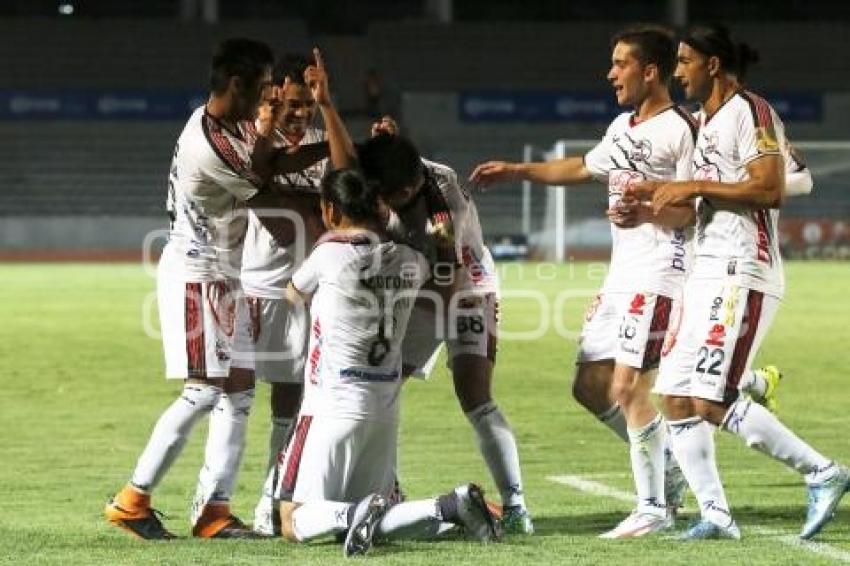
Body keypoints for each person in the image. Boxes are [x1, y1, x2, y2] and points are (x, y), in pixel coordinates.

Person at [105, 39, 351, 540]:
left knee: (235, 397)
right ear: (236, 85)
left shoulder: (227, 123)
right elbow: (269, 187)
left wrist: (324, 141)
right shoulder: (208, 143)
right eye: (262, 88)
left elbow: (271, 162)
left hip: (226, 274)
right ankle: (132, 499)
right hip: (200, 272)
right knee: (202, 391)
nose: (268, 99)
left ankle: (215, 511)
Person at [471, 25, 699, 538]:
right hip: (622, 275)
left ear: (651, 71)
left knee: (626, 385)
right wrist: (517, 170)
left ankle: (653, 508)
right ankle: (671, 468)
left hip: (662, 272)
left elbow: (691, 208)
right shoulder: (623, 126)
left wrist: (646, 207)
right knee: (590, 386)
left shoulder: (679, 129)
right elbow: (581, 165)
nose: (611, 73)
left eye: (621, 63)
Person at [637, 24, 848, 540]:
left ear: (712, 63)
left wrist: (695, 185)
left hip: (742, 271)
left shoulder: (752, 112)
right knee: (675, 395)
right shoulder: (705, 121)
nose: (677, 70)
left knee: (713, 397)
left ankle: (822, 473)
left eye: (684, 61)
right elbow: (721, 193)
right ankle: (716, 516)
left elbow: (774, 187)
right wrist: (654, 198)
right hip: (704, 271)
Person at [273, 168, 500, 557]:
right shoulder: (411, 260)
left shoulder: (328, 253)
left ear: (330, 210)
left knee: (292, 520)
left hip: (330, 405)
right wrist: (441, 220)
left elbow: (291, 296)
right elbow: (448, 278)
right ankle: (449, 506)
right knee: (380, 516)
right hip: (384, 408)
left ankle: (353, 515)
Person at [358, 132, 533, 534]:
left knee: (475, 397)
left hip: (467, 290)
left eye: (387, 197)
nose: (380, 204)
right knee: (380, 387)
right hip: (428, 284)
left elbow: (446, 288)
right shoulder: (417, 173)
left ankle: (516, 505)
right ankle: (388, 489)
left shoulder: (441, 221)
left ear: (404, 190)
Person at [225, 52, 331, 536]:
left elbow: (329, 206)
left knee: (290, 401)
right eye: (291, 103)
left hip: (307, 289)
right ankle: (214, 502)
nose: (300, 113)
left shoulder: (322, 141)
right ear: (273, 97)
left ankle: (272, 502)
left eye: (307, 105)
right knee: (233, 397)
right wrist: (303, 202)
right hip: (258, 285)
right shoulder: (251, 137)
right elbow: (261, 188)